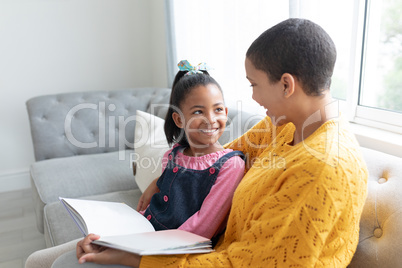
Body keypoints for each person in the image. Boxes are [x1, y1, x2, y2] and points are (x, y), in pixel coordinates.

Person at [38, 18, 369, 267]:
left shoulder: (324, 169)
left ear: (286, 85)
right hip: (190, 248)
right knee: (56, 258)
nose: (252, 96)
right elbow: (219, 156)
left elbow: (243, 264)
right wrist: (160, 178)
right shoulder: (284, 125)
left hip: (202, 256)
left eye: (253, 84)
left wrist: (136, 258)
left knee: (68, 263)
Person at [25, 60, 246, 268]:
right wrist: (155, 183)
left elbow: (200, 230)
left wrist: (133, 251)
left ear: (226, 112)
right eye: (198, 111)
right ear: (179, 119)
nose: (210, 118)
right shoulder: (174, 155)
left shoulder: (231, 165)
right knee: (36, 261)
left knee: (66, 262)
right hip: (139, 233)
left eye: (217, 109)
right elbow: (174, 183)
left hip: (167, 252)